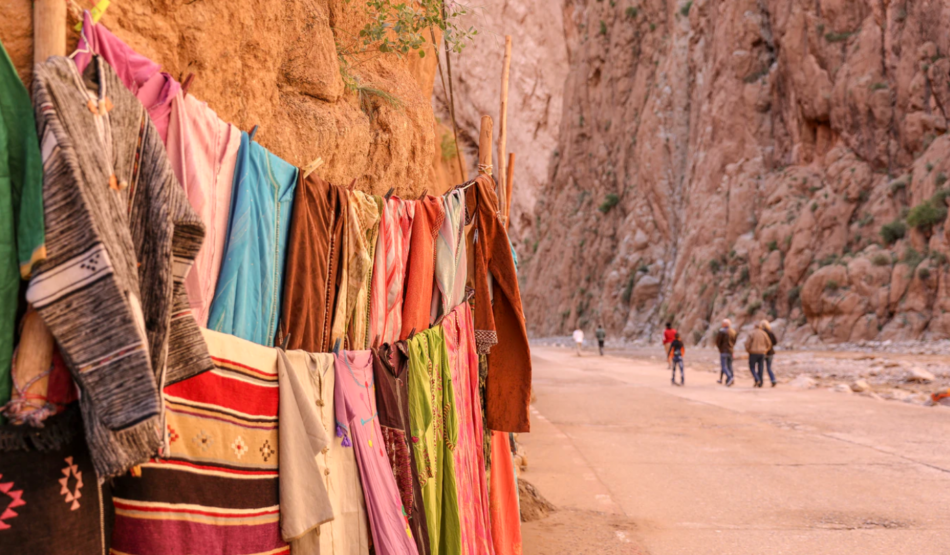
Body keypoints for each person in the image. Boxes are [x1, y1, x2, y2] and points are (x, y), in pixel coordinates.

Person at [745, 321, 773, 388]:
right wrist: (765, 350)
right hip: (762, 353)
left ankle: (757, 379)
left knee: (752, 367)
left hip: (753, 352)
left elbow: (747, 344)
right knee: (761, 367)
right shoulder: (764, 333)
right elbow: (769, 344)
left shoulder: (751, 333)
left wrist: (749, 350)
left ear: (754, 326)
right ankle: (760, 382)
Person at [715, 319, 737, 387]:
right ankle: (731, 378)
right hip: (730, 350)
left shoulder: (722, 331)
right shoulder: (733, 331)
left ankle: (729, 377)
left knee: (724, 366)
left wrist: (720, 348)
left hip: (724, 351)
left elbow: (718, 342)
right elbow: (734, 341)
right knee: (729, 366)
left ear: (725, 324)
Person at [761, 320, 778, 387]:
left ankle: (760, 380)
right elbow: (775, 342)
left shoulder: (762, 333)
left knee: (761, 367)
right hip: (770, 352)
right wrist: (770, 346)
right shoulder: (771, 332)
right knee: (769, 367)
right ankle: (773, 379)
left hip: (763, 351)